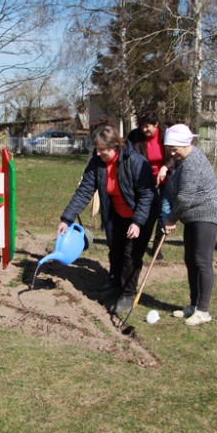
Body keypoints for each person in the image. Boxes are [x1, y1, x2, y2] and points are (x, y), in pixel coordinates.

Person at [59, 124, 157, 313]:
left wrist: (137, 222)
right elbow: (84, 191)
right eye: (96, 149)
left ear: (115, 146)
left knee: (131, 255)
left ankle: (127, 294)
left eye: (102, 150)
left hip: (140, 214)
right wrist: (67, 218)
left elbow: (147, 194)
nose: (98, 153)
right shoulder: (97, 163)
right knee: (115, 250)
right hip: (116, 213)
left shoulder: (135, 162)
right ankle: (115, 285)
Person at [162, 124, 217, 326]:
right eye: (169, 148)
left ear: (185, 143)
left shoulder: (192, 162)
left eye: (175, 148)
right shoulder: (182, 159)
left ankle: (203, 311)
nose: (172, 152)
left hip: (208, 213)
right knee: (190, 259)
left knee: (202, 260)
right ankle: (193, 305)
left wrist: (171, 219)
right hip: (192, 215)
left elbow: (184, 198)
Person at [127, 111, 175, 259]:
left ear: (156, 125)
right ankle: (139, 239)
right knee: (145, 210)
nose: (144, 130)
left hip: (166, 178)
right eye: (142, 127)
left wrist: (165, 167)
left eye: (147, 127)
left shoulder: (167, 135)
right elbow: (130, 154)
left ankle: (157, 246)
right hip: (145, 179)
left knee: (165, 210)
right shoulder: (135, 136)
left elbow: (175, 155)